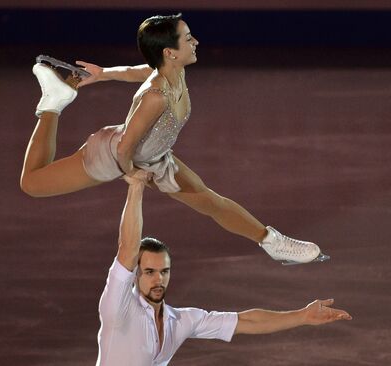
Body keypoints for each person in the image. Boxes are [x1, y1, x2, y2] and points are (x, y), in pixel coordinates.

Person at [20, 13, 329, 265]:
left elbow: (141, 70)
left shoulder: (172, 72)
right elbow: (126, 146)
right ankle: (52, 104)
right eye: (188, 38)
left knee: (209, 200)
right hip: (113, 156)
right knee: (32, 184)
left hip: (155, 158)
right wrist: (133, 176)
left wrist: (105, 73)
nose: (195, 42)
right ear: (170, 52)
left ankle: (273, 242)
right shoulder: (155, 97)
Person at [97, 170, 351, 366]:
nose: (158, 279)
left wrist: (301, 316)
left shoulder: (180, 320)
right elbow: (127, 248)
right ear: (135, 275)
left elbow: (245, 321)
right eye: (149, 272)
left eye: (164, 271)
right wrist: (136, 187)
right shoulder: (118, 308)